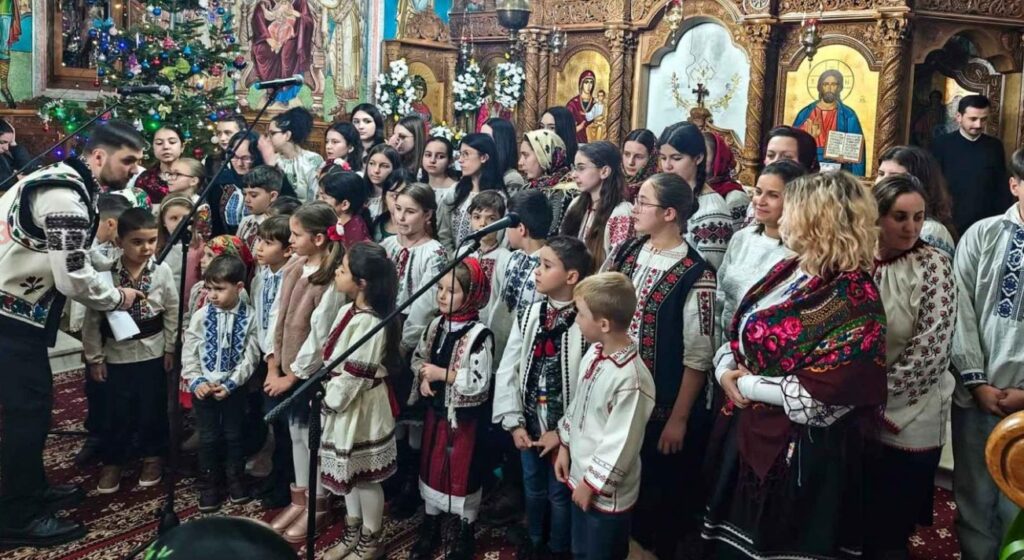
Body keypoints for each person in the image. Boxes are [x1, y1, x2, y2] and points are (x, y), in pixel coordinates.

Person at [704, 171, 887, 558]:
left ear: (817, 221)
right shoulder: (791, 269)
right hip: (749, 430)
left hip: (801, 454)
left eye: (791, 208)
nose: (782, 215)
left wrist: (746, 385)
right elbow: (742, 331)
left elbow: (824, 399)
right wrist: (724, 370)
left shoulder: (855, 295)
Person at [0, 119, 147, 548]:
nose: (135, 170)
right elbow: (71, 276)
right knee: (27, 414)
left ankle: (31, 488)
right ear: (99, 157)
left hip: (16, 314)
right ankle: (17, 516)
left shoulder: (62, 180)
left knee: (33, 408)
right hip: (8, 319)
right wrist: (117, 298)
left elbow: (69, 254)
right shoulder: (64, 197)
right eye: (129, 161)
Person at [604, 172, 716, 559]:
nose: (634, 209)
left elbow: (698, 356)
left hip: (659, 407)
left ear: (669, 213)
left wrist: (679, 419)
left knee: (654, 497)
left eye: (644, 202)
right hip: (614, 392)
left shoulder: (696, 273)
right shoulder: (627, 252)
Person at [866, 174, 956, 558]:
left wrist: (874, 400)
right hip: (854, 411)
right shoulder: (858, 259)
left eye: (919, 217)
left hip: (911, 414)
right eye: (900, 217)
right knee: (854, 520)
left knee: (892, 526)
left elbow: (931, 349)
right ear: (877, 216)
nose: (911, 228)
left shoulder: (933, 265)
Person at [494, 236, 591, 559]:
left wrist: (562, 433)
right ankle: (534, 538)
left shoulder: (586, 324)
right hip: (529, 424)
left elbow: (588, 387)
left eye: (547, 266)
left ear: (571, 276)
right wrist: (514, 421)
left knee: (559, 494)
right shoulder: (530, 314)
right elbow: (509, 367)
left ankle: (557, 548)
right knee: (532, 487)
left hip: (564, 434)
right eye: (539, 264)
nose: (537, 271)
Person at [950, 147, 1024, 560]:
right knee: (974, 492)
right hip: (979, 390)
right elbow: (959, 309)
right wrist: (976, 381)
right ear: (1014, 185)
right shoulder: (982, 234)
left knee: (1020, 500)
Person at [309, 243, 400, 560]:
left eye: (343, 269)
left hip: (359, 406)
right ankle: (353, 530)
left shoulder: (370, 323)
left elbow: (355, 375)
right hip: (342, 403)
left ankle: (370, 539)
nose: (336, 271)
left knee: (364, 478)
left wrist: (327, 401)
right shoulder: (349, 311)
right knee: (347, 473)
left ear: (362, 283)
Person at [555, 272, 655, 560]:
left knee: (601, 552)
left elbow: (622, 442)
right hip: (579, 476)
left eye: (580, 313)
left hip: (604, 494)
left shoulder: (631, 379)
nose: (576, 319)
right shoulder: (594, 354)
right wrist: (564, 445)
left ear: (604, 324)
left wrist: (591, 484)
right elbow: (579, 405)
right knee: (580, 550)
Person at [263, 202, 345, 543]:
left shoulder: (330, 279)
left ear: (319, 239)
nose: (291, 240)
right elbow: (277, 314)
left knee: (313, 440)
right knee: (295, 435)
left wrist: (293, 375)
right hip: (284, 368)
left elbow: (320, 336)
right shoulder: (295, 266)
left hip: (309, 375)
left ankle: (318, 503)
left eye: (296, 235)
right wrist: (272, 361)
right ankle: (300, 499)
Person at [82, 209, 178, 494]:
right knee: (116, 409)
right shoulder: (105, 274)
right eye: (137, 242)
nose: (146, 248)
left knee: (152, 406)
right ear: (119, 241)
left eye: (151, 241)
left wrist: (170, 348)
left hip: (152, 351)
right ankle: (114, 460)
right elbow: (92, 319)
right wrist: (95, 358)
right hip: (116, 353)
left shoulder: (161, 272)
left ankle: (153, 455)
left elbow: (172, 311)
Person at [408, 258, 495, 560]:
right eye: (440, 289)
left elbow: (479, 381)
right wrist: (423, 377)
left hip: (464, 421)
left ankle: (465, 529)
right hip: (437, 413)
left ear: (471, 295)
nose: (443, 296)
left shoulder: (479, 335)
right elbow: (420, 357)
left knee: (463, 473)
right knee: (432, 467)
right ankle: (431, 523)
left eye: (452, 291)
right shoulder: (436, 325)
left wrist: (442, 374)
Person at [181, 254, 261, 511]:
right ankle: (209, 483)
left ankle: (235, 479)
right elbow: (190, 350)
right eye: (209, 288)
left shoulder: (250, 317)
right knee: (208, 436)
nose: (213, 295)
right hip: (204, 389)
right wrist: (197, 380)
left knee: (234, 434)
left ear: (239, 287)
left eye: (219, 289)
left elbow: (251, 356)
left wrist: (231, 384)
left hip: (233, 390)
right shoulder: (201, 316)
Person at [71, 193, 133, 466]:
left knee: (118, 387)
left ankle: (123, 436)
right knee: (95, 385)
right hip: (93, 319)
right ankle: (96, 435)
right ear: (110, 223)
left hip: (117, 328)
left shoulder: (108, 245)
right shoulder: (80, 242)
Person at [716, 160, 805, 341]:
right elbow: (720, 296)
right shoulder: (742, 238)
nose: (760, 201)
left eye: (773, 195)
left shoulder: (800, 253)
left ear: (794, 201)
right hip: (725, 346)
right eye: (758, 192)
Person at [250, 215, 294, 507]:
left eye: (268, 242)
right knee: (274, 424)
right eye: (259, 240)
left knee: (287, 427)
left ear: (288, 250)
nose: (259, 248)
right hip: (265, 356)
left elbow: (283, 324)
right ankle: (276, 475)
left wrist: (274, 363)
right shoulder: (262, 275)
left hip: (283, 361)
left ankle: (287, 482)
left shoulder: (291, 277)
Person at [486, 190, 553, 360]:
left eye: (509, 225)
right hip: (497, 342)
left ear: (521, 229)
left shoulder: (547, 267)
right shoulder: (512, 257)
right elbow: (496, 299)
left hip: (523, 351)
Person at [931, 94, 1011, 235]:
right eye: (973, 119)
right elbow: (934, 184)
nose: (978, 125)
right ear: (959, 117)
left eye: (983, 119)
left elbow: (1001, 187)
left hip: (986, 223)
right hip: (950, 221)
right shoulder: (941, 144)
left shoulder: (994, 146)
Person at [660, 122, 734, 270]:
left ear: (698, 158)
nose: (667, 166)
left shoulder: (712, 210)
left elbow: (709, 269)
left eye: (676, 158)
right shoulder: (663, 195)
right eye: (663, 158)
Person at [562, 140, 634, 270]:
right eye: (574, 168)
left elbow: (616, 265)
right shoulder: (576, 203)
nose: (573, 175)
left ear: (604, 171)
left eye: (581, 168)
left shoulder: (621, 212)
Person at [876, 144, 958, 258]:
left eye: (894, 176)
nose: (882, 181)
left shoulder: (930, 230)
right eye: (881, 174)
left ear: (916, 182)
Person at [438, 133, 507, 252]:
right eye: (460, 154)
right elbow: (444, 232)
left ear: (483, 157)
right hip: (454, 259)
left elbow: (500, 238)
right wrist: (452, 256)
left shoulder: (499, 198)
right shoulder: (455, 191)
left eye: (466, 154)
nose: (460, 160)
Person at [793, 70, 866, 175]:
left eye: (834, 84)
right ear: (820, 87)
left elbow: (857, 149)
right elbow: (793, 144)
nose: (829, 88)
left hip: (840, 172)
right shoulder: (805, 114)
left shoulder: (848, 115)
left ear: (839, 87)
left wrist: (848, 157)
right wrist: (810, 139)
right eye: (826, 84)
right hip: (809, 168)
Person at [519, 129, 577, 237]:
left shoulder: (566, 192)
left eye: (526, 155)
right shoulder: (527, 187)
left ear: (545, 155)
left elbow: (553, 234)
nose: (520, 162)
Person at [263, 107, 325, 203]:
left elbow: (316, 198)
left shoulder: (312, 160)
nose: (268, 139)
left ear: (287, 135)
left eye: (272, 133)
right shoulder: (273, 160)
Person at [704, 131, 750, 230]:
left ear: (718, 158)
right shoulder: (689, 189)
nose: (696, 160)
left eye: (704, 154)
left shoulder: (736, 198)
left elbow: (736, 236)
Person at [238, 165, 286, 255]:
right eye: (244, 194)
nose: (247, 200)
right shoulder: (246, 221)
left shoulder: (279, 227)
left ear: (273, 196)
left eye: (253, 195)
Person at [319, 169, 372, 249]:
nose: (319, 201)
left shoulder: (356, 235)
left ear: (345, 205)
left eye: (324, 198)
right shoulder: (337, 221)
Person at [465, 190, 510, 286]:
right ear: (470, 219)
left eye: (491, 218)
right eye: (477, 217)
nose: (482, 224)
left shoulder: (506, 258)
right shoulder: (462, 254)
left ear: (501, 222)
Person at [131, 126, 184, 204]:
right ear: (153, 148)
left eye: (172, 142)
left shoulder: (194, 175)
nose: (166, 147)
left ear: (182, 147)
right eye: (159, 143)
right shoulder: (144, 179)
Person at [482, 117, 527, 193]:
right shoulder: (484, 172)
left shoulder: (512, 178)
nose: (481, 142)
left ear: (501, 142)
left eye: (486, 138)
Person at [364, 143, 404, 223]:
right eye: (372, 163)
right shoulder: (358, 192)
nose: (376, 170)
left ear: (395, 168)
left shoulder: (397, 198)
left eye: (384, 166)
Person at [622, 128, 659, 202]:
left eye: (639, 157)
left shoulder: (659, 189)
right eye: (627, 154)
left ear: (651, 158)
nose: (630, 162)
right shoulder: (612, 184)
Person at [206, 114, 248, 178]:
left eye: (228, 133)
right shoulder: (212, 160)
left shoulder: (256, 158)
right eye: (219, 133)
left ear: (243, 133)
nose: (222, 138)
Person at [389, 114, 428, 180]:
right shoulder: (397, 159)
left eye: (402, 136)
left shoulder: (425, 165)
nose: (395, 141)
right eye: (394, 135)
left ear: (416, 138)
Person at [565, 71, 598, 143]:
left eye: (591, 82)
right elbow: (566, 124)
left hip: (592, 141)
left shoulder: (595, 104)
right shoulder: (573, 104)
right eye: (586, 82)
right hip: (575, 141)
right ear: (581, 84)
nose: (589, 86)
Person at [0, 118, 32, 191]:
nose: (6, 148)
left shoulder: (3, 156)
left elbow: (26, 168)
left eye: (8, 143)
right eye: (2, 142)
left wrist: (13, 143)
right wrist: (17, 178)